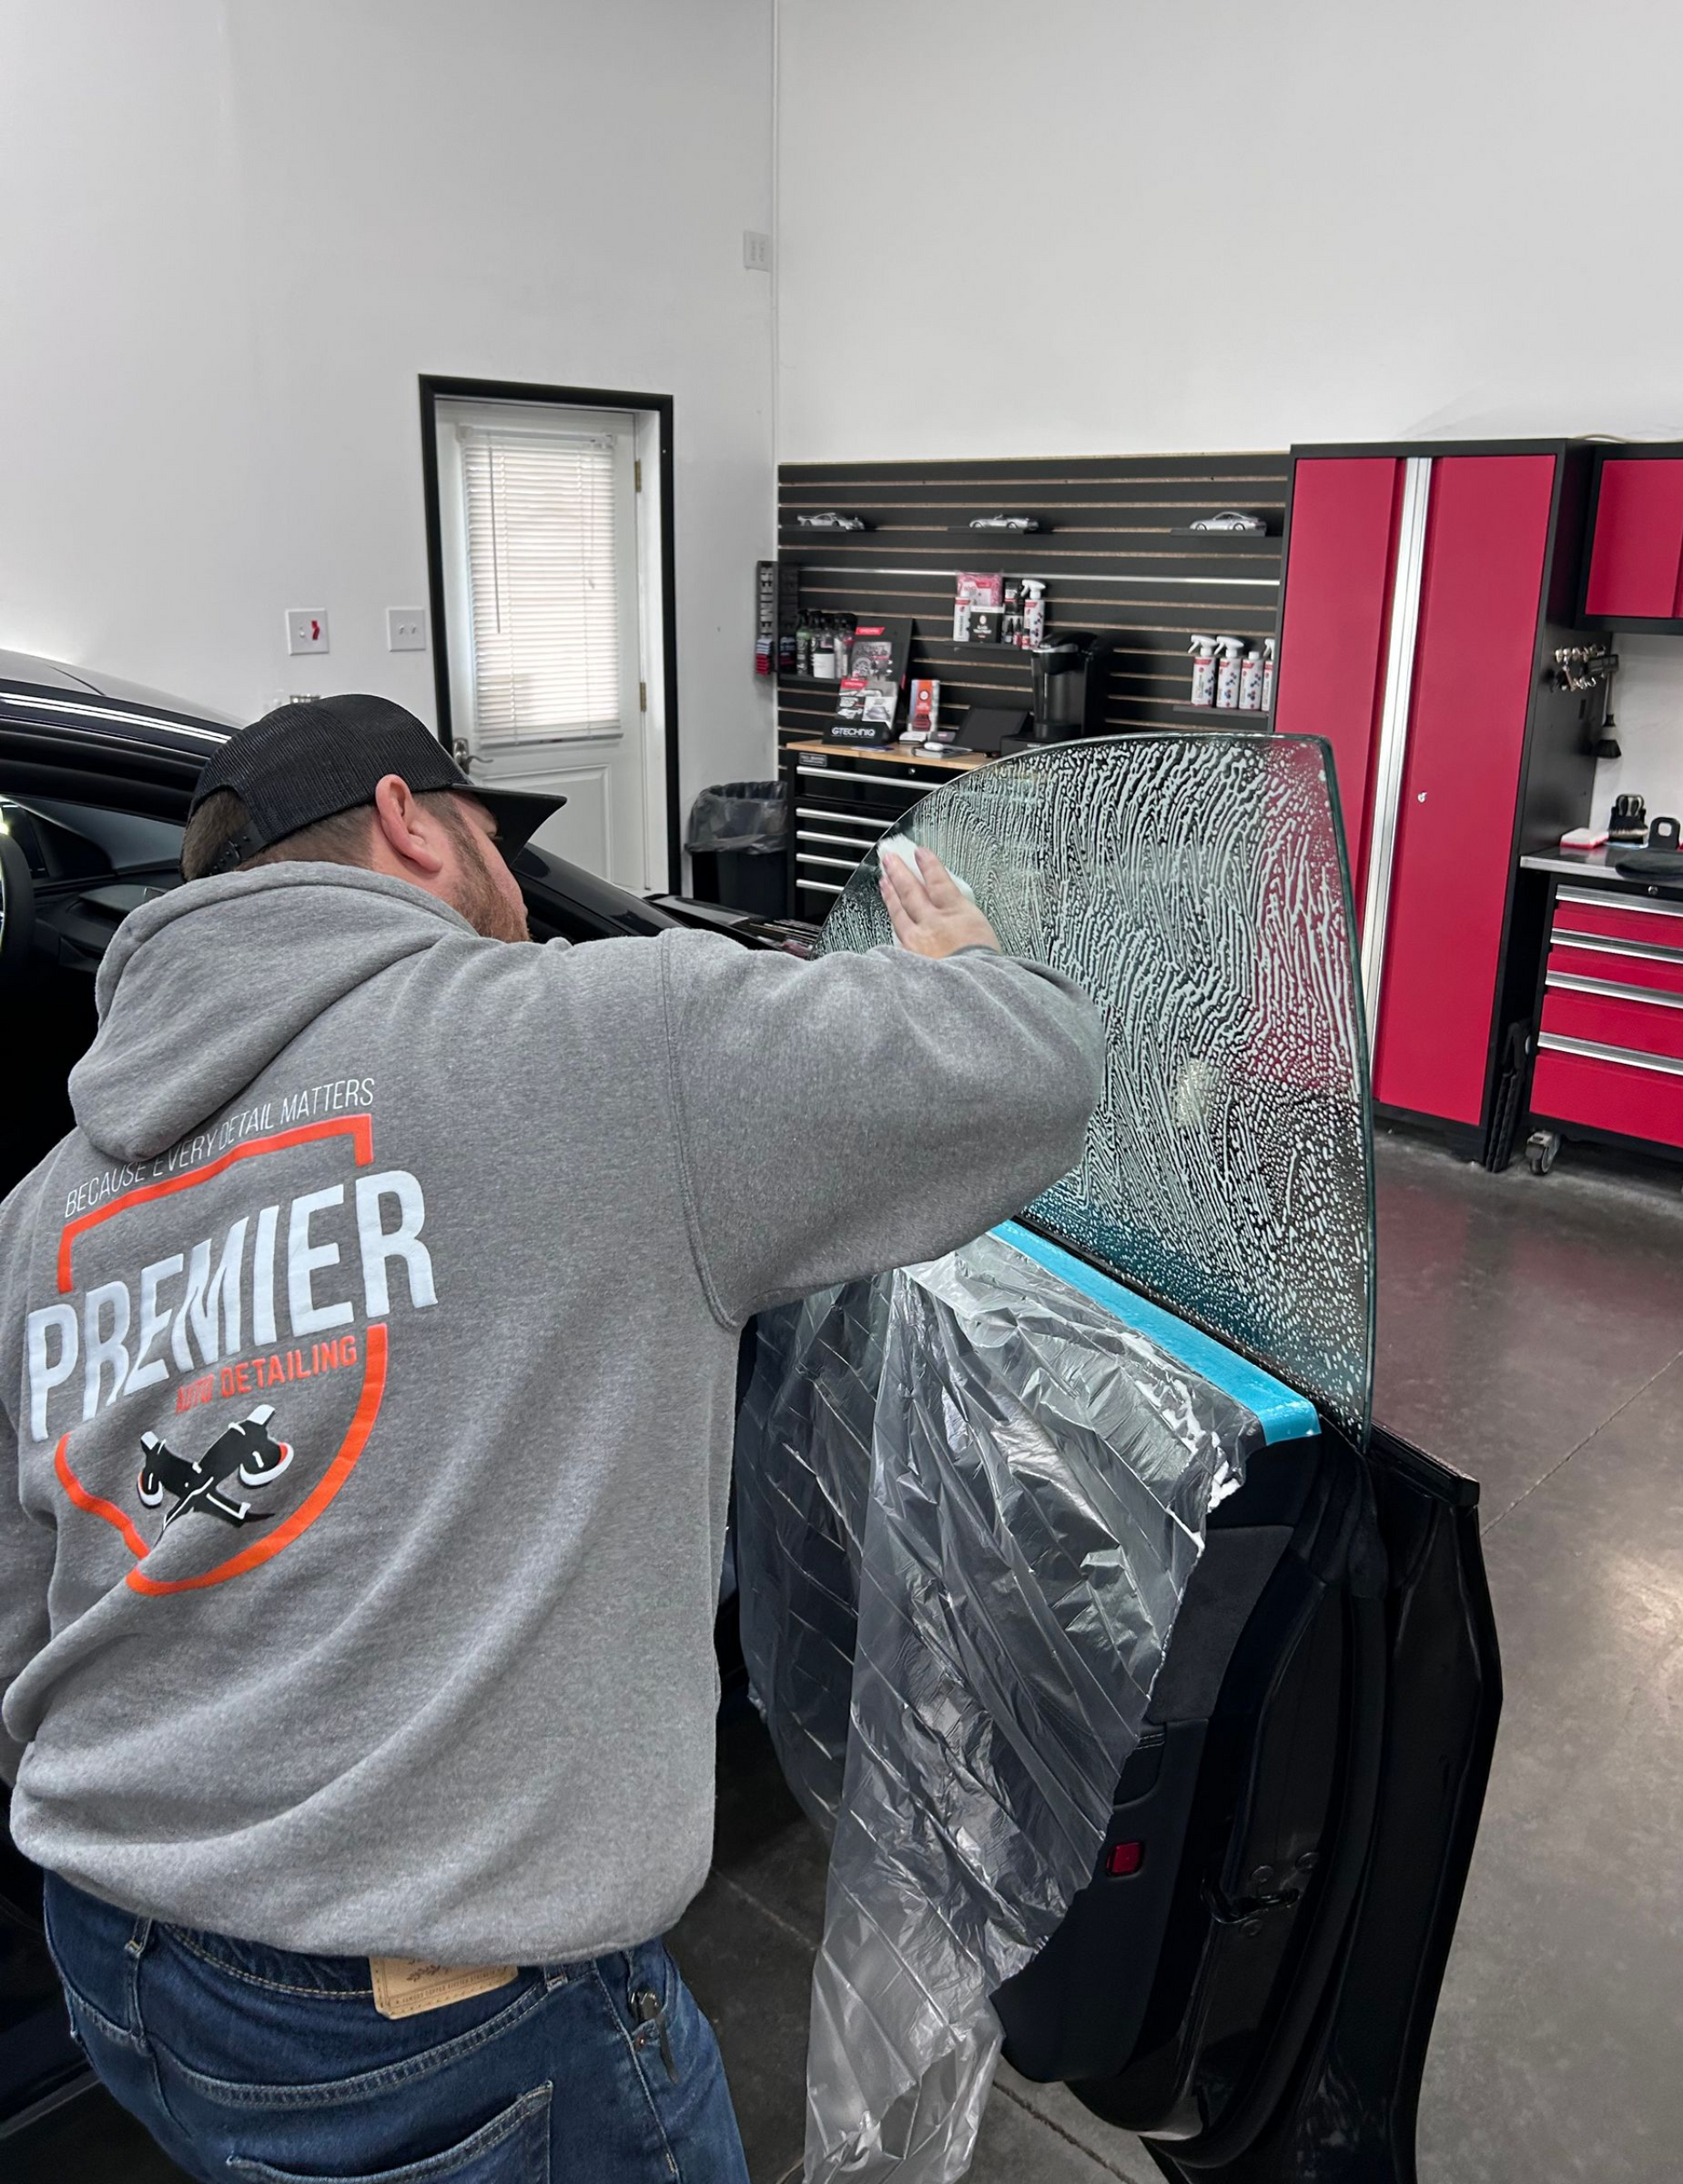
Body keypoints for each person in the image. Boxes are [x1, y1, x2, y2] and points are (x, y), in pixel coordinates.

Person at [0, 695, 1103, 2183]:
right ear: (409, 821)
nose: (524, 903)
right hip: (429, 2017)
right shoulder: (600, 1035)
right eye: (498, 849)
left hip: (111, 1946)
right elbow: (1027, 1071)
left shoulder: (43, 1213)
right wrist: (967, 957)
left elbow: (26, 1609)